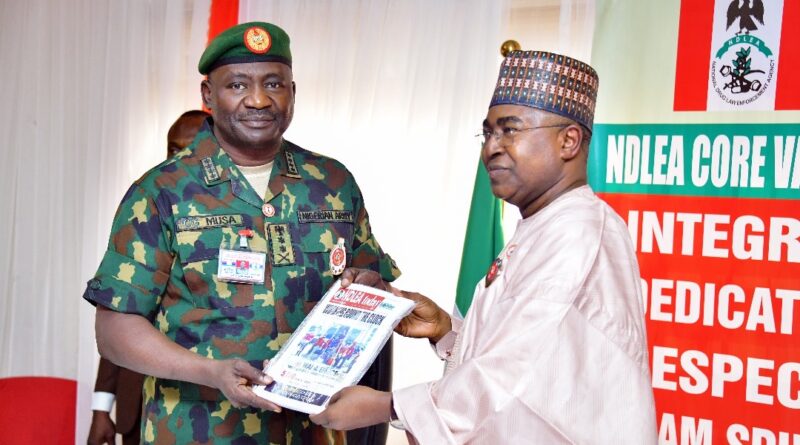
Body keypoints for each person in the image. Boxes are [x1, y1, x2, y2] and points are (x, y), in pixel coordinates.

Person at [308, 51, 658, 444]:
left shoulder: (577, 230)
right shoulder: (545, 223)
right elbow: (541, 360)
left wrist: (386, 406)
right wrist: (446, 330)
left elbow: (514, 370)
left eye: (510, 130)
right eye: (488, 133)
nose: (491, 148)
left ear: (569, 141)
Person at [83, 21, 399, 445]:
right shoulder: (161, 191)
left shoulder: (332, 182)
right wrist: (209, 371)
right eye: (237, 85)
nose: (258, 99)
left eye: (274, 83)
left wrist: (369, 287)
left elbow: (372, 279)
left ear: (292, 91)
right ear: (208, 95)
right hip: (197, 431)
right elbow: (115, 329)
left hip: (312, 432)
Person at [87, 109, 210, 445]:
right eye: (174, 148)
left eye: (193, 146)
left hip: (193, 410)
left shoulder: (231, 222)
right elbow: (119, 313)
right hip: (135, 405)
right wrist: (101, 407)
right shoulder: (145, 209)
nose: (183, 155)